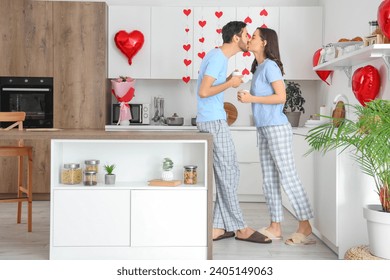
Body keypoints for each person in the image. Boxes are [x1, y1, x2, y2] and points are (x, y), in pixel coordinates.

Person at [237, 27, 315, 245]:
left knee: (287, 176)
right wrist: (247, 97)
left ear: (264, 43)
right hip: (263, 128)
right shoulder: (259, 68)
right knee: (269, 178)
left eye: (253, 37)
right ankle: (275, 226)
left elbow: (281, 97)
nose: (249, 39)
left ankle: (305, 225)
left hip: (276, 128)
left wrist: (251, 98)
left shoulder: (270, 66)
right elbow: (261, 97)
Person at [196, 21, 271, 244]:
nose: (249, 39)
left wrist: (229, 80)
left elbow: (207, 87)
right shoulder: (218, 57)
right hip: (214, 121)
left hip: (212, 119)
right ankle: (240, 227)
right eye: (247, 35)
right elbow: (203, 91)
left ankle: (218, 228)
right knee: (229, 172)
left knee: (227, 173)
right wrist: (230, 85)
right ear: (236, 38)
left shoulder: (216, 56)